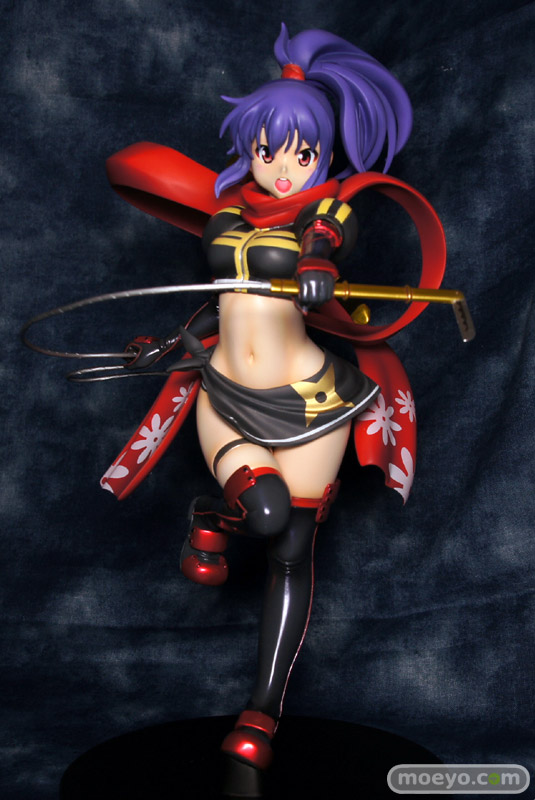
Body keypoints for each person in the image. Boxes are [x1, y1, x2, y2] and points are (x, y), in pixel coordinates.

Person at [101, 24, 446, 780]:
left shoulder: (333, 209)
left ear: (323, 154)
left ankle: (261, 709)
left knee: (290, 547)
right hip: (227, 390)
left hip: (315, 401)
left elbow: (326, 238)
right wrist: (167, 347)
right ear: (249, 147)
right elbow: (222, 302)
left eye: (302, 153)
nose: (283, 168)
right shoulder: (227, 211)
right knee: (261, 514)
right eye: (268, 149)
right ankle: (210, 514)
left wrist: (318, 264)